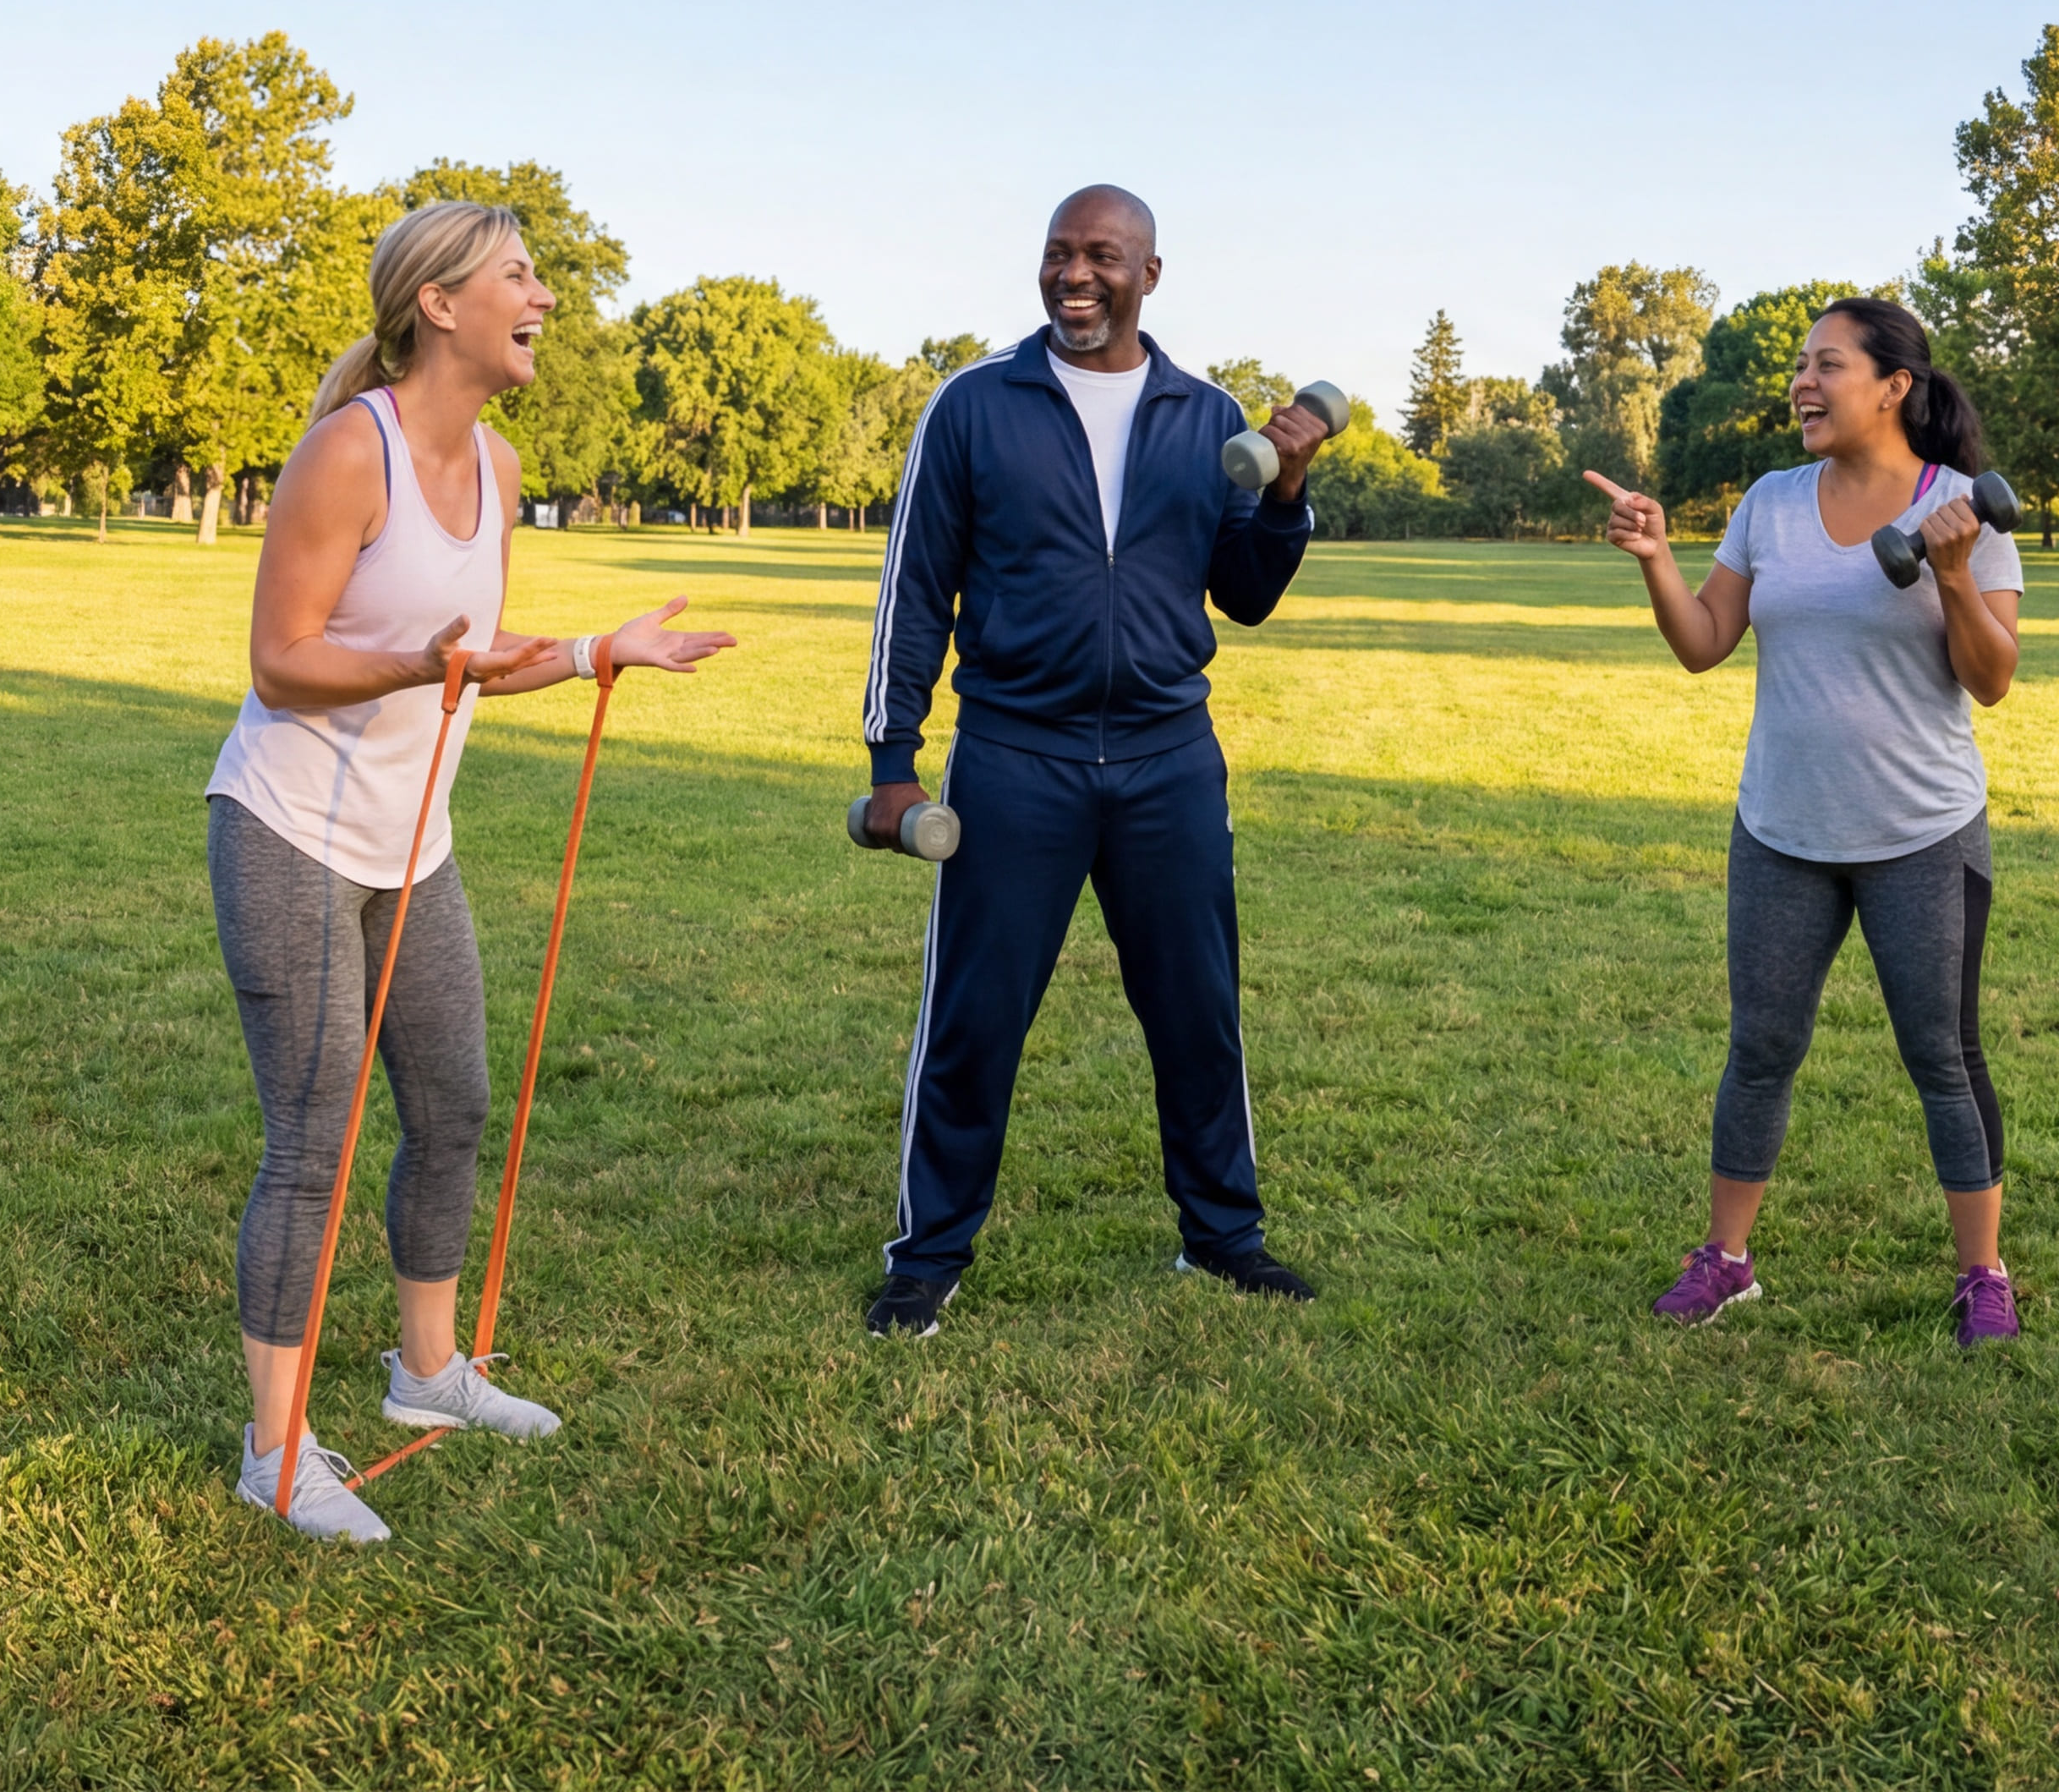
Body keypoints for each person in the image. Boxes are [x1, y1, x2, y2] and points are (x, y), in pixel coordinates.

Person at [207, 200, 737, 1543]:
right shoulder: (350, 453)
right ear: (439, 304)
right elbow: (282, 660)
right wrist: (411, 665)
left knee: (452, 1104)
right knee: (312, 1149)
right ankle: (273, 1455)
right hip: (289, 836)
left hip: (411, 844)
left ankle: (428, 1374)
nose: (544, 296)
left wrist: (597, 654)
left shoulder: (497, 471)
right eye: (520, 274)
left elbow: (480, 653)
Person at [855, 184, 1330, 1337]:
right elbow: (915, 587)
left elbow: (1248, 596)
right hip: (1017, 754)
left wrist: (1291, 487)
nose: (1076, 274)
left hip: (1171, 756)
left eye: (1103, 256)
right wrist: (893, 759)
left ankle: (1224, 1240)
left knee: (1197, 1010)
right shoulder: (975, 404)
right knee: (975, 1017)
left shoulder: (1205, 415)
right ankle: (929, 1256)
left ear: (1148, 277)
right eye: (1060, 253)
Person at [1585, 296, 2029, 1349]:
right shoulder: (1771, 503)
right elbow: (1703, 643)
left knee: (1944, 1057)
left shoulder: (1961, 503)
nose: (1802, 383)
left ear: (1892, 386)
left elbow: (1993, 679)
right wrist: (1655, 557)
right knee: (1760, 1047)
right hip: (1781, 829)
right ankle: (1724, 1261)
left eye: (1825, 364)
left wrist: (1955, 575)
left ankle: (1981, 1276)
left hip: (1921, 833)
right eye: (1799, 366)